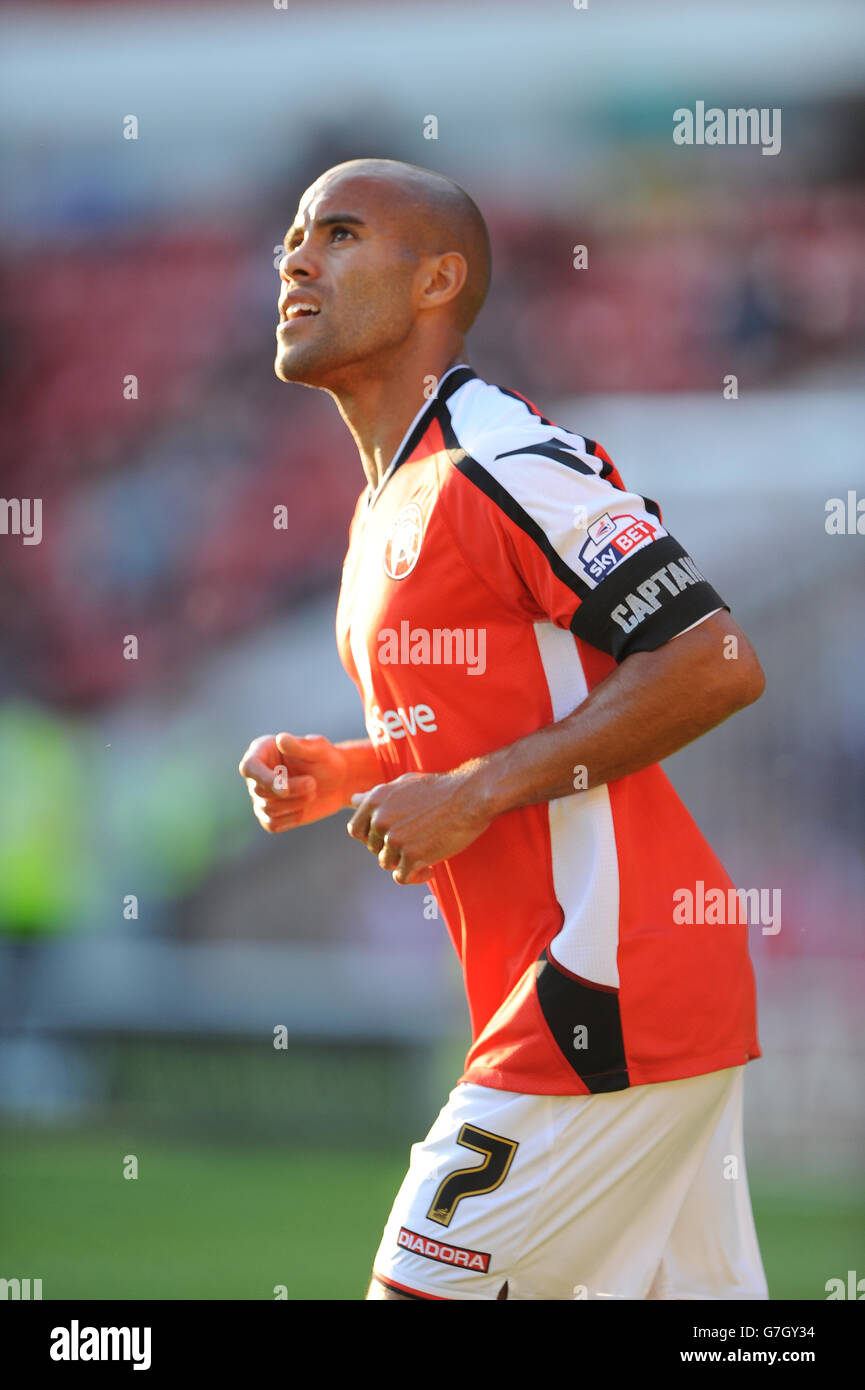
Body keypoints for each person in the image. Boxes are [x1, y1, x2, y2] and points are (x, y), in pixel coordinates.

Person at [238, 158, 769, 1301]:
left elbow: (715, 660)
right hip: (622, 994)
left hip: (601, 988)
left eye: (337, 234)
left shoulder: (499, 459)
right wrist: (357, 768)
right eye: (292, 236)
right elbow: (504, 716)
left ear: (438, 279)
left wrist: (470, 793)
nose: (295, 258)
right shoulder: (395, 492)